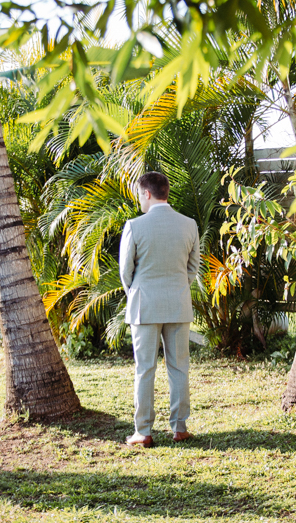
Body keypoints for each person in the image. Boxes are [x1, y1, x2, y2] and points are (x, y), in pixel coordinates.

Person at [119, 172, 201, 448]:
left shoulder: (135, 225)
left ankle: (143, 431)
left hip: (144, 305)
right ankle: (179, 428)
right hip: (178, 303)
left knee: (145, 369)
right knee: (179, 367)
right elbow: (193, 269)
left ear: (147, 194)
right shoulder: (189, 225)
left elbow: (125, 271)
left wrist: (137, 292)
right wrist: (177, 287)